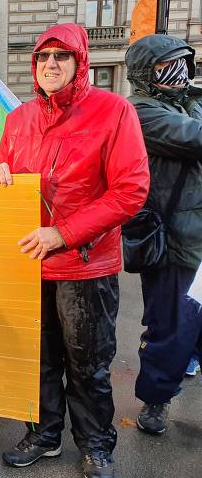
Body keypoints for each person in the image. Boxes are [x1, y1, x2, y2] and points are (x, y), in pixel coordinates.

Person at [0, 24, 149, 478]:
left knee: (88, 364)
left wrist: (64, 233)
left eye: (61, 56)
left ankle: (96, 445)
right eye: (43, 57)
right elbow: (6, 181)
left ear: (80, 64)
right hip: (28, 262)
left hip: (85, 265)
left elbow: (130, 191)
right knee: (36, 359)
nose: (50, 64)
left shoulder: (113, 111)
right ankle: (43, 433)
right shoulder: (18, 120)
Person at [124, 34, 202, 435]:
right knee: (170, 326)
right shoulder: (141, 112)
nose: (178, 73)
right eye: (165, 66)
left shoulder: (189, 101)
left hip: (198, 239)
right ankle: (156, 399)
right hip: (174, 242)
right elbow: (195, 138)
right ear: (145, 74)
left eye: (183, 64)